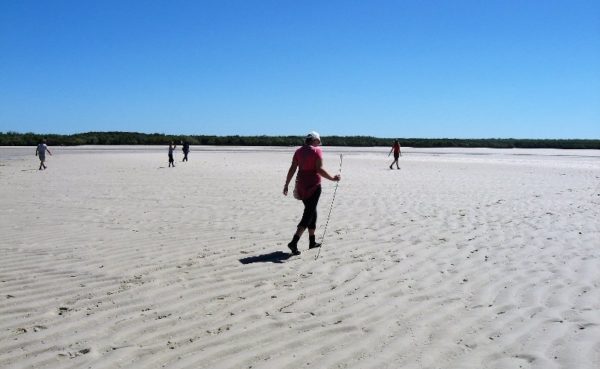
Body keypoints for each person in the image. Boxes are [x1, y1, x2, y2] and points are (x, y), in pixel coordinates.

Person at [283, 131, 341, 255]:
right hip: (314, 186)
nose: (319, 144)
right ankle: (294, 241)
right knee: (308, 213)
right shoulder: (316, 151)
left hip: (301, 186)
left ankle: (312, 241)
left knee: (312, 211)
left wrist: (287, 184)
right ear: (314, 140)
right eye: (318, 141)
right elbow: (319, 169)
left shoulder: (298, 151)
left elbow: (293, 168)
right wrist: (332, 178)